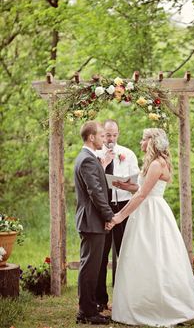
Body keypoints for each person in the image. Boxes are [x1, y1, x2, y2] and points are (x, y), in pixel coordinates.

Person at [106, 128, 194, 327]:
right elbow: (143, 188)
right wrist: (128, 187)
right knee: (147, 256)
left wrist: (119, 216)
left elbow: (143, 195)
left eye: (143, 139)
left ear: (151, 142)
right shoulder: (158, 163)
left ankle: (156, 305)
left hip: (151, 213)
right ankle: (144, 300)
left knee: (153, 255)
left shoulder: (155, 164)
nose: (141, 142)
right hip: (151, 209)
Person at [96, 119, 140, 312]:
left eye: (114, 134)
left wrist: (125, 185)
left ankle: (127, 299)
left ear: (118, 134)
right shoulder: (96, 154)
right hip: (103, 208)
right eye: (107, 135)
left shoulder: (128, 154)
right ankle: (100, 300)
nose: (110, 138)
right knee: (101, 255)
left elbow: (137, 185)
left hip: (124, 206)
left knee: (126, 253)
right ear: (102, 135)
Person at [74, 120, 114, 325]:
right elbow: (96, 193)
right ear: (91, 137)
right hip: (92, 221)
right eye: (100, 135)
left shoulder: (87, 158)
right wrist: (109, 216)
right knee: (90, 267)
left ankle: (85, 309)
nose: (104, 139)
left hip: (90, 221)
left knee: (88, 265)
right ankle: (88, 312)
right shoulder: (88, 160)